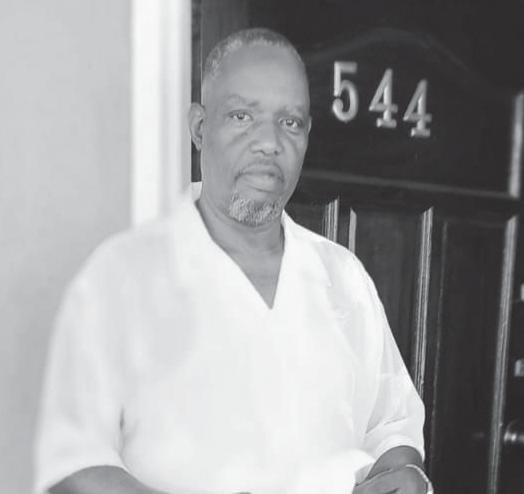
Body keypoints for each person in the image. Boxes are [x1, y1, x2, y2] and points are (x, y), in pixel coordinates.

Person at [34, 28, 432, 494]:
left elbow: (393, 427)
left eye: (290, 122)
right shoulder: (123, 277)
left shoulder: (343, 278)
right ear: (200, 128)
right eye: (243, 116)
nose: (269, 143)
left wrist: (405, 474)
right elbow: (74, 464)